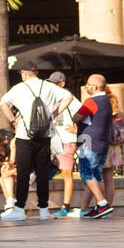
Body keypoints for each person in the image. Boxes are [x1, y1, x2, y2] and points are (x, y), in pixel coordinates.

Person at [0, 68, 73, 221]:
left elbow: (3, 103)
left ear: (24, 73)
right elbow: (69, 97)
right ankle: (44, 210)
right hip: (44, 134)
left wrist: (13, 120)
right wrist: (53, 114)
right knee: (42, 173)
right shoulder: (49, 86)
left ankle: (19, 209)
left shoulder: (19, 87)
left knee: (24, 173)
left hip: (24, 136)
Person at [70, 73, 117, 219]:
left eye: (88, 84)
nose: (86, 87)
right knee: (96, 175)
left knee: (86, 174)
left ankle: (102, 203)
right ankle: (99, 207)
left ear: (95, 87)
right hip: (102, 143)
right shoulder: (107, 101)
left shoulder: (92, 101)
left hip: (88, 142)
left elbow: (76, 117)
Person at [46, 72, 80, 217]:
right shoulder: (52, 97)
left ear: (62, 84)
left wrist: (77, 127)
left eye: (54, 83)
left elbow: (85, 111)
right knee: (57, 172)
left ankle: (65, 207)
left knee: (67, 174)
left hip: (66, 140)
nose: (51, 86)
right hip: (55, 142)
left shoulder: (68, 96)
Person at [103, 88, 124, 204]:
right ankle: (108, 205)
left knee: (97, 177)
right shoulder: (118, 117)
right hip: (115, 148)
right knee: (109, 179)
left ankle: (100, 204)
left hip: (104, 147)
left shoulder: (103, 100)